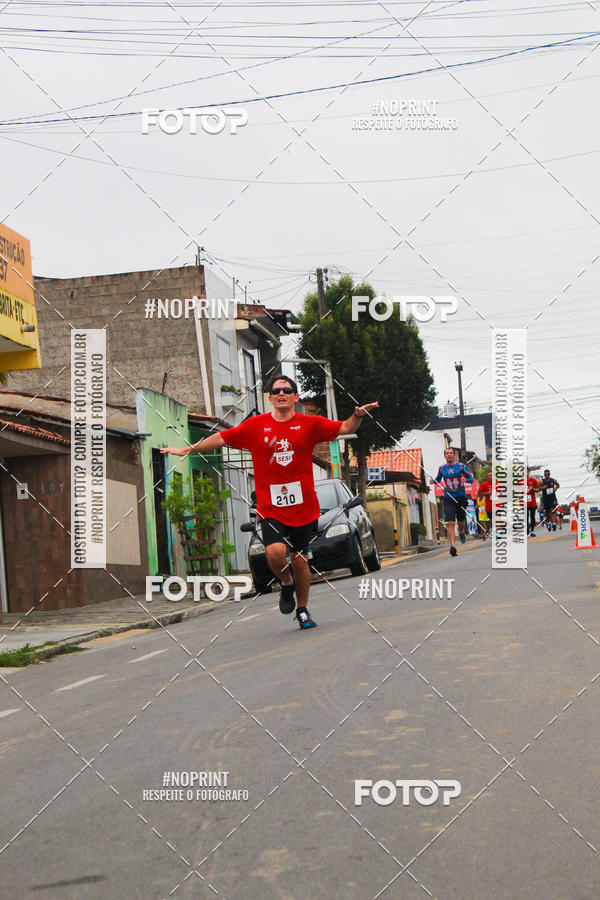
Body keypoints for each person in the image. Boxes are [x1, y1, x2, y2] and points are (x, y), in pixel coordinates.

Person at [162, 375, 378, 630]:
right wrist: (188, 449)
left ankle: (302, 610)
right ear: (270, 398)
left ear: (295, 397)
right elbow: (222, 438)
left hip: (303, 507)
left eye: (287, 390)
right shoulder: (256, 426)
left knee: (300, 559)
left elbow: (345, 429)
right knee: (274, 553)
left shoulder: (308, 424)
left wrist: (358, 415)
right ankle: (286, 583)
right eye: (276, 390)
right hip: (271, 507)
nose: (282, 393)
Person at [430, 447, 474, 557]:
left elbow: (471, 479)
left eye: (451, 453)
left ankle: (461, 531)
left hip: (461, 497)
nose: (449, 455)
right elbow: (438, 479)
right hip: (448, 497)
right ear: (445, 456)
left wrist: (466, 480)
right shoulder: (441, 468)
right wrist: (433, 481)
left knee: (460, 522)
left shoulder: (461, 466)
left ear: (454, 455)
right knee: (451, 522)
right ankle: (453, 547)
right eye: (447, 453)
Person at [477, 473, 493, 540]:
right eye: (489, 475)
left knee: (490, 522)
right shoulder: (478, 499)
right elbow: (477, 506)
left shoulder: (484, 499)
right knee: (482, 523)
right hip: (482, 513)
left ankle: (490, 532)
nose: (490, 477)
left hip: (492, 508)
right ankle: (484, 535)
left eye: (491, 475)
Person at [526, 467, 540, 537]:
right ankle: (527, 531)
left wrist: (533, 489)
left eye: (527, 471)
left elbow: (538, 490)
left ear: (529, 472)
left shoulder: (533, 480)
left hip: (532, 501)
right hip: (524, 502)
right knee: (526, 516)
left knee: (532, 517)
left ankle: (532, 530)